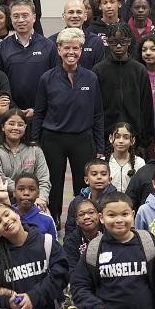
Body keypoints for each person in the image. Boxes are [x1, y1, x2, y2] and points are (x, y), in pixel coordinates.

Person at [34, 28, 104, 221]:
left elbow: (98, 114)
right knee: (53, 184)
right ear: (58, 50)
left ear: (81, 50)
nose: (71, 52)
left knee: (83, 185)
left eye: (75, 48)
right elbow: (39, 113)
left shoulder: (91, 78)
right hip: (52, 140)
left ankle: (79, 219)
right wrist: (35, 143)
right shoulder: (46, 78)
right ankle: (53, 218)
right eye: (66, 48)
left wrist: (100, 147)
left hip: (82, 138)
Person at [0, 0, 59, 119]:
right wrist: (14, 110)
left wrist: (37, 109)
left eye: (25, 15)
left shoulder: (49, 46)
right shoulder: (2, 48)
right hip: (11, 116)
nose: (21, 20)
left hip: (43, 115)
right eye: (16, 16)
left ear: (34, 17)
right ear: (10, 19)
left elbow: (56, 82)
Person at [93, 22, 154, 152]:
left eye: (123, 41)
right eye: (114, 42)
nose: (119, 45)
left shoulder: (139, 70)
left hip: (135, 139)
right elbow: (94, 108)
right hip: (106, 137)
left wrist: (144, 142)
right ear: (108, 42)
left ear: (129, 42)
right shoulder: (99, 70)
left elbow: (146, 108)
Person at [0, 108, 50, 210]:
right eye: (11, 123)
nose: (16, 127)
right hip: (3, 200)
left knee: (45, 218)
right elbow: (0, 180)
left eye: (20, 125)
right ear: (2, 127)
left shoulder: (36, 150)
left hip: (33, 200)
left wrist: (41, 199)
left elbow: (44, 179)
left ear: (25, 127)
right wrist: (25, 191)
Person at [64, 159, 117, 237]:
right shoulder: (77, 202)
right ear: (86, 180)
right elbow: (70, 228)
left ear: (110, 180)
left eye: (103, 174)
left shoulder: (116, 201)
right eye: (94, 174)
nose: (99, 177)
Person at [48, 0, 106, 70]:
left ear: (85, 16)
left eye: (79, 12)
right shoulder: (52, 42)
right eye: (70, 12)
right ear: (63, 16)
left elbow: (99, 71)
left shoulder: (95, 42)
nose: (75, 16)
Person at [62, 198, 101, 278]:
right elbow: (71, 270)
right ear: (76, 221)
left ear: (99, 216)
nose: (86, 217)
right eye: (81, 214)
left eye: (91, 212)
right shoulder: (71, 241)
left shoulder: (110, 235)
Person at [12, 171, 57, 240]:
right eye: (21, 189)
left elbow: (54, 248)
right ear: (14, 193)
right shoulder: (7, 217)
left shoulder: (47, 220)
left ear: (38, 193)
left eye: (31, 189)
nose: (26, 193)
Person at [107, 122, 145, 193]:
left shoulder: (139, 163)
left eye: (126, 137)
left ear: (132, 141)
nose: (121, 141)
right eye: (117, 137)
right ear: (110, 138)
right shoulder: (103, 162)